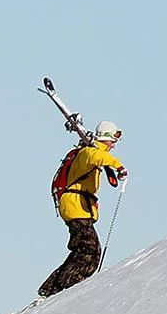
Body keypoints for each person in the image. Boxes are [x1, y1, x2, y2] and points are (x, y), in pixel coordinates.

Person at [38, 121, 127, 299]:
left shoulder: (91, 152)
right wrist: (119, 167)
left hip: (78, 207)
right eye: (114, 139)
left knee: (86, 249)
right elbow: (97, 156)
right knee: (90, 249)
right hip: (74, 206)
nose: (115, 144)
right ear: (107, 138)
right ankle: (62, 290)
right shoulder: (89, 153)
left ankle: (50, 289)